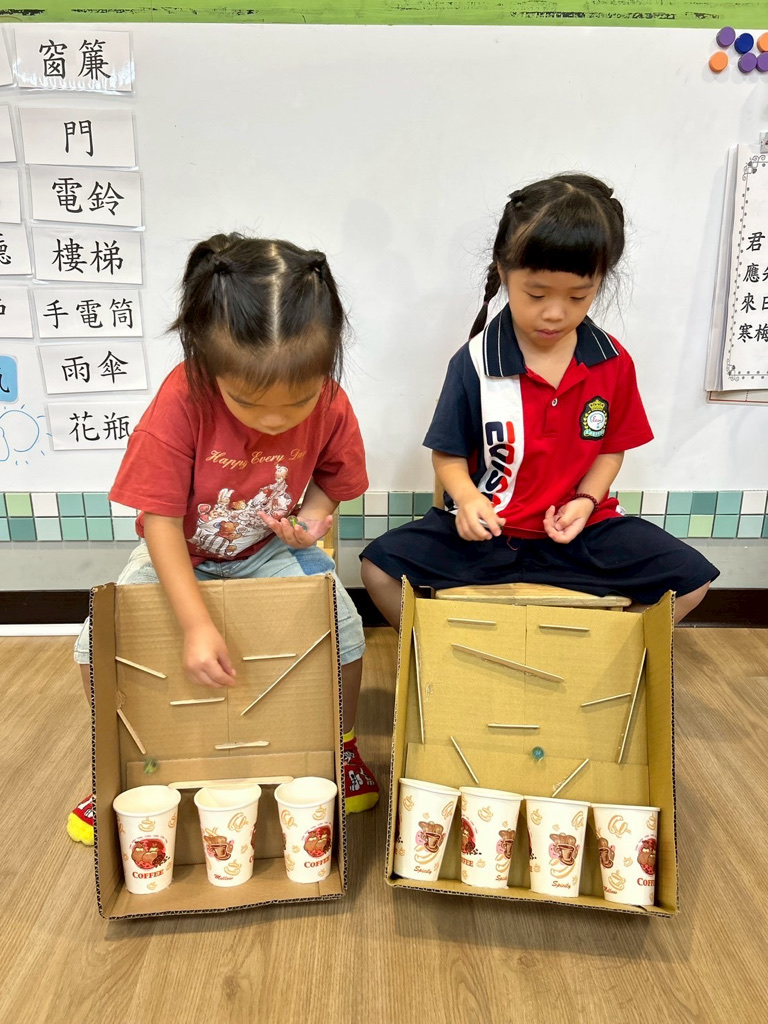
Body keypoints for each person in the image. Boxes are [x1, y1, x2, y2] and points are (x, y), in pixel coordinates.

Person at [67, 234, 378, 845]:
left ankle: (340, 746)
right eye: (248, 402)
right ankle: (115, 761)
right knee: (93, 645)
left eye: (298, 401)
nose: (275, 420)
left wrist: (312, 522)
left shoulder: (331, 401)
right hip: (177, 553)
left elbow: (333, 481)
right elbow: (160, 523)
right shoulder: (181, 401)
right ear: (207, 365)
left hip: (266, 549)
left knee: (345, 630)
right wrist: (195, 623)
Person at [361, 174, 718, 627]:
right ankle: (436, 656)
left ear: (600, 282)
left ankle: (604, 657)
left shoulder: (613, 362)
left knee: (693, 581)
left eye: (578, 296)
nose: (554, 313)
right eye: (536, 294)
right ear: (503, 271)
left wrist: (586, 501)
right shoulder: (474, 362)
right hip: (489, 535)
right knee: (378, 568)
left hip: (580, 534)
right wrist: (467, 500)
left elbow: (610, 449)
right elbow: (448, 454)